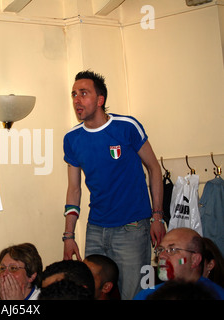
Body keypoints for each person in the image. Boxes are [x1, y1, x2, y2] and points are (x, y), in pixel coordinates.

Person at [62, 70, 165, 300]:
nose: (76, 100)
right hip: (96, 229)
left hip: (132, 228)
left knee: (134, 294)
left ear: (100, 100)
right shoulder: (72, 139)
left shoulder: (126, 127)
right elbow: (74, 189)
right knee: (92, 292)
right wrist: (69, 235)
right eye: (74, 94)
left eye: (84, 93)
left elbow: (154, 169)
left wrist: (157, 217)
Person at [134, 228, 224, 300]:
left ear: (194, 260)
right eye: (161, 250)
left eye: (172, 250)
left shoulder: (215, 295)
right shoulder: (146, 295)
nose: (162, 256)